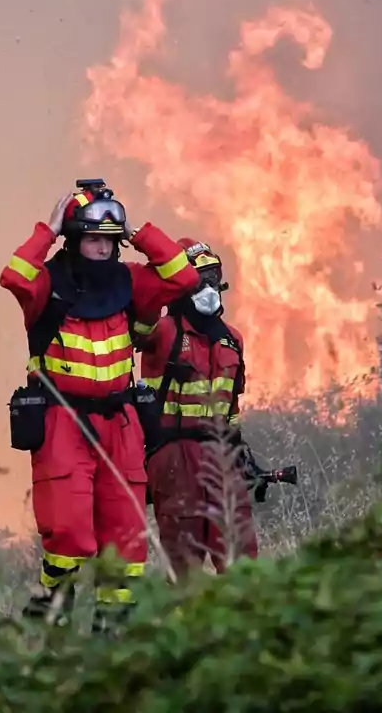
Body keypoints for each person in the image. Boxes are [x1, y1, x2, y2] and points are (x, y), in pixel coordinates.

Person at [0, 181, 198, 630]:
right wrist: (46, 230)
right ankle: (52, 603)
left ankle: (113, 631)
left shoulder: (131, 281)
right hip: (62, 420)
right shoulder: (47, 283)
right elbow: (13, 275)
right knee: (69, 535)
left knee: (127, 541)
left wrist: (137, 232)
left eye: (110, 241)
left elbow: (183, 276)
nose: (103, 249)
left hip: (120, 422)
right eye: (93, 239)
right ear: (74, 238)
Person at [138, 238, 261, 579]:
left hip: (220, 455)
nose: (208, 289)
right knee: (184, 563)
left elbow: (231, 405)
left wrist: (237, 452)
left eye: (212, 278)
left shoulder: (232, 339)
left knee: (241, 554)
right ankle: (184, 627)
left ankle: (248, 626)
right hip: (174, 456)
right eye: (197, 281)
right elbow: (138, 318)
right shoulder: (163, 331)